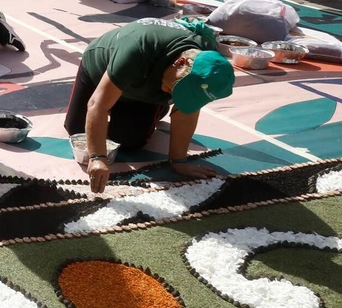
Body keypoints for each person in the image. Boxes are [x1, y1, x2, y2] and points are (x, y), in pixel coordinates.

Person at [67, 18, 232, 193]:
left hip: (143, 91)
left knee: (129, 142)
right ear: (180, 62)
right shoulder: (138, 49)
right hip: (101, 70)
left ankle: (154, 108)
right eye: (176, 90)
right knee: (77, 130)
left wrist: (179, 161)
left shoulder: (210, 65)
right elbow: (97, 104)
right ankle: (146, 108)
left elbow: (187, 111)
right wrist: (97, 157)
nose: (174, 96)